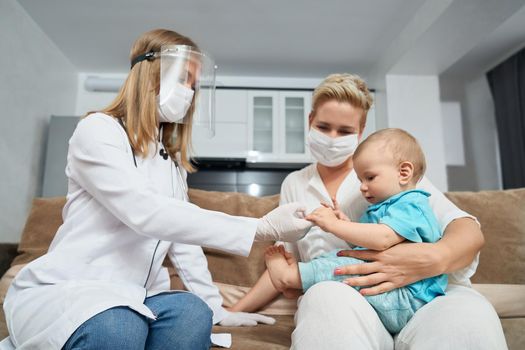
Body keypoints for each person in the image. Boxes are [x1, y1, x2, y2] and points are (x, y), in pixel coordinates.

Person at [2, 29, 313, 350]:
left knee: (193, 312)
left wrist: (217, 307)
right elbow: (143, 211)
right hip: (73, 288)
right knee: (118, 325)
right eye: (183, 78)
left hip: (137, 295)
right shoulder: (98, 130)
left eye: (194, 84)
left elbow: (183, 243)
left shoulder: (172, 165)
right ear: (149, 71)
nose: (189, 92)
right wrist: (260, 228)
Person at [230, 73, 507, 349]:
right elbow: (286, 263)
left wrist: (430, 258)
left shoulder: (391, 171)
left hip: (425, 294)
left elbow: (467, 231)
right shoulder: (295, 184)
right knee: (324, 299)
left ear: (360, 132)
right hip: (349, 298)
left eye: (345, 131)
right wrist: (231, 312)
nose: (332, 138)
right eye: (324, 127)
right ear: (310, 121)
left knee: (469, 318)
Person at [264, 128, 446, 334]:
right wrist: (346, 223)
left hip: (405, 297)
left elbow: (383, 239)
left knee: (344, 265)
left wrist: (335, 225)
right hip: (390, 292)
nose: (362, 187)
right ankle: (297, 283)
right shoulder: (386, 207)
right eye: (360, 180)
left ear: (404, 173)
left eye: (369, 177)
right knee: (338, 256)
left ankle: (289, 277)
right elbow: (371, 243)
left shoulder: (412, 204)